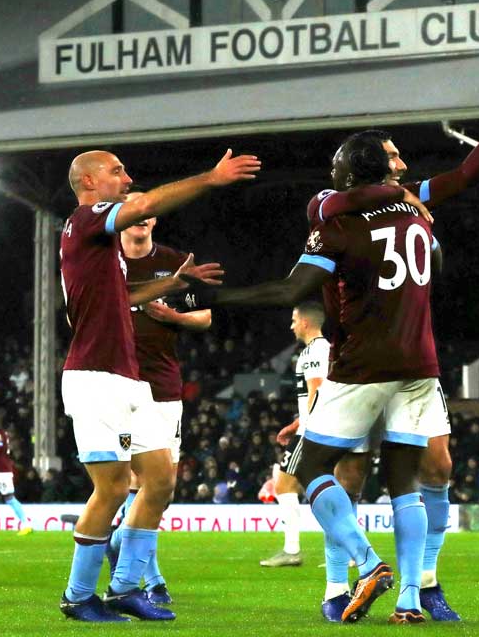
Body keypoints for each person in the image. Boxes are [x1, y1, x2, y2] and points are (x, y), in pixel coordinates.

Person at [176, 126, 479, 625]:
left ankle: (367, 564)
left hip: (363, 365)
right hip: (420, 363)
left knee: (306, 467)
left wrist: (213, 297)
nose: (330, 178)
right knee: (404, 481)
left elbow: (288, 290)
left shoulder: (337, 224)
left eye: (337, 170)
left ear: (349, 175)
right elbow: (440, 238)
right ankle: (409, 602)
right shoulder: (417, 213)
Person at [297, 91, 479, 622]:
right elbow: (329, 207)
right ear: (368, 166)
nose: (403, 164)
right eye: (394, 156)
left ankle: (423, 585)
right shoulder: (335, 209)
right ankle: (337, 586)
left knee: (437, 466)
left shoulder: (403, 199)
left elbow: (464, 176)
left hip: (407, 359)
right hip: (355, 361)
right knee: (348, 474)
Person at [57, 147, 259, 623]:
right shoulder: (87, 220)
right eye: (116, 170)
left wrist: (174, 283)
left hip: (130, 381)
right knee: (110, 489)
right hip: (94, 374)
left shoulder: (100, 247)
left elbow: (125, 297)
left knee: (162, 479)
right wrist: (210, 177)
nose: (127, 177)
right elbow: (145, 205)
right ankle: (78, 595)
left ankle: (126, 587)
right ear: (88, 182)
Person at [111, 197, 213, 605]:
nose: (140, 219)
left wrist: (172, 318)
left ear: (152, 217)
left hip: (164, 386)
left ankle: (118, 542)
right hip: (114, 383)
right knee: (126, 482)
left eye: (145, 211)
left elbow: (205, 316)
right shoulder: (103, 260)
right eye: (131, 212)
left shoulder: (175, 261)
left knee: (160, 487)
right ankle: (144, 581)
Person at [260, 301, 331, 568]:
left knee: (284, 484)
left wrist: (306, 428)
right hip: (317, 427)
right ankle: (347, 553)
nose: (291, 326)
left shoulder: (314, 352)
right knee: (324, 491)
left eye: (293, 320)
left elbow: (317, 392)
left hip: (314, 431)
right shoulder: (325, 350)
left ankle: (292, 551)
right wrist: (295, 424)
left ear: (305, 322)